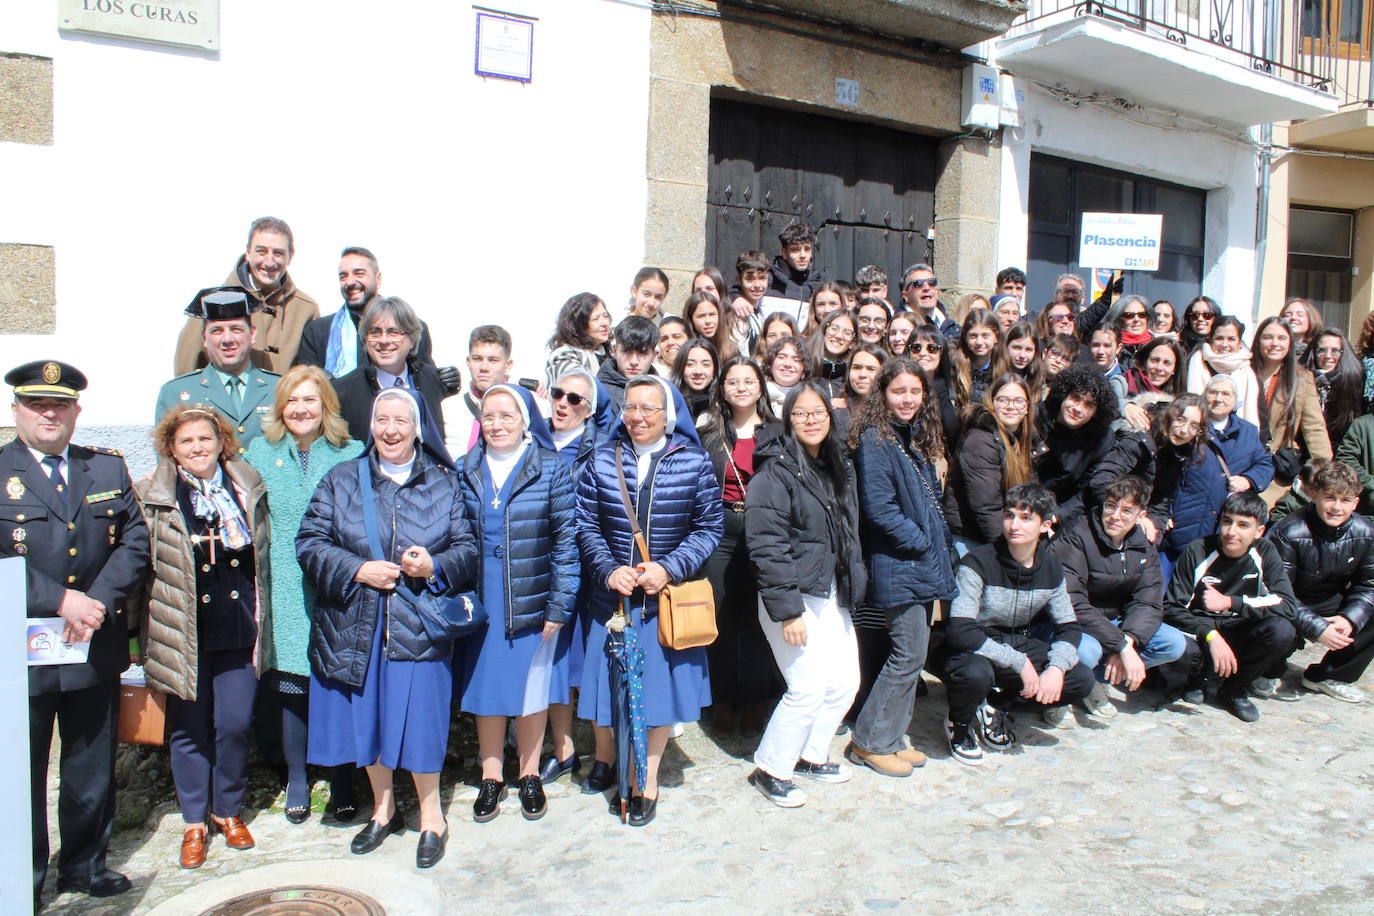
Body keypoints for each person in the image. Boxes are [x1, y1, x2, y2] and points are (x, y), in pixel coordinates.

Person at [298, 388, 478, 869]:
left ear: (418, 427)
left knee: (421, 725)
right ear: (370, 424)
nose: (391, 429)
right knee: (370, 725)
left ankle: (432, 815)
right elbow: (310, 542)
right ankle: (383, 809)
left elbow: (467, 548)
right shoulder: (341, 480)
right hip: (357, 626)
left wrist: (432, 565)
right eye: (382, 419)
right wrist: (359, 570)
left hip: (417, 628)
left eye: (401, 420)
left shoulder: (443, 482)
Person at [5, 361, 149, 909]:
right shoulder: (0, 472)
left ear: (76, 412)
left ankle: (83, 867)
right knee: (22, 771)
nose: (50, 413)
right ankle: (24, 874)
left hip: (92, 641)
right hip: (20, 651)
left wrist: (96, 603)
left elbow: (134, 539)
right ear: (17, 409)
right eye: (38, 404)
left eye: (60, 405)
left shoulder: (105, 470)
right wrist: (58, 598)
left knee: (90, 764)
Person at [575, 376, 724, 826]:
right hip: (614, 602)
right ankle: (617, 761)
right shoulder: (601, 459)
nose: (638, 417)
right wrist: (608, 569)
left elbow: (708, 528)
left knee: (655, 698)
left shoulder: (693, 462)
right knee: (614, 693)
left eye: (649, 409)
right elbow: (585, 525)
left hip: (663, 603)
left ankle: (647, 777)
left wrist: (669, 568)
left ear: (667, 415)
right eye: (631, 408)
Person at [135, 405, 269, 868]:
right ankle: (194, 821)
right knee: (189, 731)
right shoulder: (156, 497)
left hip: (237, 628)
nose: (197, 448)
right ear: (172, 448)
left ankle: (226, 810)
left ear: (221, 442)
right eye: (186, 441)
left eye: (205, 439)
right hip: (184, 633)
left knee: (233, 724)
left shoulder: (245, 487)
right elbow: (141, 569)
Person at [244, 365, 364, 825]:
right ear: (280, 408)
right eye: (292, 401)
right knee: (292, 684)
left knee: (336, 684)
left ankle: (343, 780)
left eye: (310, 400)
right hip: (285, 584)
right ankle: (296, 776)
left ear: (326, 406)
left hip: (337, 584)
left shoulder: (350, 453)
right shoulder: (259, 453)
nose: (300, 409)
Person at [458, 384, 578, 823]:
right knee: (486, 689)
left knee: (532, 689)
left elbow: (567, 542)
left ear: (526, 421)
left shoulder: (549, 468)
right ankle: (492, 776)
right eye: (489, 416)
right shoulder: (464, 468)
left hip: (533, 591)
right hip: (483, 596)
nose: (496, 424)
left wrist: (559, 605)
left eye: (507, 415)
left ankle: (528, 774)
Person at [744, 383, 865, 806]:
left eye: (819, 413)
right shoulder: (773, 473)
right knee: (808, 685)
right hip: (792, 598)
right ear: (788, 420)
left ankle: (811, 755)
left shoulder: (834, 466)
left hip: (829, 591)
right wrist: (788, 612)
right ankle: (771, 767)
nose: (812, 420)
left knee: (845, 681)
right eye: (802, 413)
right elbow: (766, 545)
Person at [846, 360, 954, 776]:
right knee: (907, 655)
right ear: (883, 394)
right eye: (898, 391)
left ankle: (891, 738)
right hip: (899, 564)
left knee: (913, 653)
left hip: (918, 565)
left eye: (915, 391)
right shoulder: (876, 439)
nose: (907, 399)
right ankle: (870, 742)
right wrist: (922, 540)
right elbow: (879, 509)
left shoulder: (908, 438)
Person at [939, 484, 1094, 765]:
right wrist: (1019, 663)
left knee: (1081, 679)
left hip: (1018, 640)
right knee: (975, 674)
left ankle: (996, 706)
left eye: (1025, 518)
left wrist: (1057, 668)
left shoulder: (1051, 568)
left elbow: (1068, 627)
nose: (1014, 525)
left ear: (1045, 525)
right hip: (973, 646)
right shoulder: (976, 562)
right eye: (1009, 515)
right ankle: (959, 725)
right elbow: (960, 629)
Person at [1051, 475, 1187, 724]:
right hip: (1075, 625)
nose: (1115, 516)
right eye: (1111, 506)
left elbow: (1148, 601)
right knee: (1087, 651)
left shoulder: (1143, 546)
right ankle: (1064, 693)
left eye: (1127, 510)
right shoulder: (1076, 535)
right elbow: (1072, 602)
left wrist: (1128, 641)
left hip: (1116, 624)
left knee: (1173, 643)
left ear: (1140, 515)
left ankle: (1092, 681)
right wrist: (1121, 646)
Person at [1160, 491, 1297, 722]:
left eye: (1243, 525)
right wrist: (1210, 635)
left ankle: (1234, 688)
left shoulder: (1265, 552)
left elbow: (1286, 604)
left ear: (1259, 531)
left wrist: (1231, 602)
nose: (1231, 531)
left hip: (1239, 626)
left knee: (1282, 631)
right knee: (1180, 647)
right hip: (1202, 629)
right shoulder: (1198, 549)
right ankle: (1198, 678)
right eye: (1227, 521)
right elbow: (1172, 607)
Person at [700, 357, 783, 730]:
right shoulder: (711, 433)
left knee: (758, 616)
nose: (741, 387)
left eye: (749, 380)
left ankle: (755, 697)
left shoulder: (777, 432)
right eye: (733, 381)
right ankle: (720, 695)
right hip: (722, 526)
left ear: (760, 386)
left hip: (765, 528)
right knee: (720, 613)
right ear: (722, 388)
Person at [1260, 460, 1374, 704]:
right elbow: (1278, 593)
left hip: (1329, 599)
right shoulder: (1289, 531)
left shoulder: (1366, 532)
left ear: (1356, 502)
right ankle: (1263, 670)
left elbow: (1369, 584)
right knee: (1280, 628)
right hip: (1287, 601)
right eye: (1330, 497)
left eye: (1345, 500)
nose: (1336, 507)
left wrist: (1350, 618)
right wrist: (1317, 629)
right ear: (1314, 495)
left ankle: (1329, 676)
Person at [172, 217, 320, 375]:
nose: (269, 262)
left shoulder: (306, 310)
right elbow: (186, 368)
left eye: (278, 253)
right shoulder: (212, 303)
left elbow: (313, 376)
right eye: (261, 251)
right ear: (248, 253)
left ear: (290, 256)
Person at [1161, 375, 1273, 574]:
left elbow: (1264, 464)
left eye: (1226, 394)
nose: (1218, 398)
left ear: (1236, 400)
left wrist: (1248, 480)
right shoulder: (1191, 426)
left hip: (1222, 527)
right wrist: (1164, 512)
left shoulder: (1248, 432)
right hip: (1183, 522)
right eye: (1213, 392)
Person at [156, 288, 281, 452]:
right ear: (204, 339)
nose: (227, 339)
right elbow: (167, 461)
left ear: (252, 334)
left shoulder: (280, 388)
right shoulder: (175, 393)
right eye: (217, 331)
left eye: (236, 329)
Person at [295, 246, 439, 379]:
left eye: (359, 274)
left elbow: (425, 383)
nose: (350, 282)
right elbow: (304, 384)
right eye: (343, 276)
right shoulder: (318, 331)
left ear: (378, 279)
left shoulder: (411, 328)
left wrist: (445, 383)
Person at [332, 297, 451, 458]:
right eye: (375, 332)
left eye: (393, 332)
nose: (384, 340)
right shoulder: (342, 393)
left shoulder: (434, 381)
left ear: (412, 339)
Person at [1034, 364, 1140, 534]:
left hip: (1059, 516)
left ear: (1097, 412)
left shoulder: (1102, 440)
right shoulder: (1034, 419)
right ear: (1063, 395)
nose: (1078, 408)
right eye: (1075, 398)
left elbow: (1087, 491)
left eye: (1089, 404)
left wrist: (1057, 516)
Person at [944, 375, 1040, 551]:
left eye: (1018, 401)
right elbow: (986, 507)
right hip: (973, 538)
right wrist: (1008, 552)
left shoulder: (1025, 439)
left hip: (1008, 531)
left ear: (1027, 407)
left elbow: (1031, 489)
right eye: (1003, 400)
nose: (1011, 406)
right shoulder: (980, 439)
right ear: (992, 403)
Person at [1250, 316, 1330, 501]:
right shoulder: (1243, 373)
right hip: (1240, 465)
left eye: (1282, 338)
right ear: (1258, 340)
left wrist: (1325, 475)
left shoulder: (1302, 379)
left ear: (1290, 343)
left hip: (1277, 472)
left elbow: (1315, 430)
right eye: (1268, 337)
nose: (1274, 343)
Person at [1144, 394, 1207, 546]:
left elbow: (1162, 500)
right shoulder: (1142, 438)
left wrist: (1156, 528)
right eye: (1180, 419)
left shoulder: (1180, 453)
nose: (1184, 430)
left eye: (1194, 426)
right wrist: (1136, 515)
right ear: (1169, 415)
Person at [447, 325, 516, 460]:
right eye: (477, 359)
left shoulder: (528, 407)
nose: (484, 367)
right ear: (468, 362)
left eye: (493, 360)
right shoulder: (447, 408)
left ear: (508, 365)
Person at [1186, 316, 1259, 427]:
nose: (1225, 344)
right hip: (1200, 432)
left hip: (1237, 438)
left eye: (1231, 339)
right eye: (1219, 338)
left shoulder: (1249, 373)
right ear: (1211, 340)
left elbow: (1260, 414)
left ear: (1240, 343)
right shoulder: (1196, 364)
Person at [1303, 328, 1363, 450]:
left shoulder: (1354, 383)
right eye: (1322, 350)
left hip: (1342, 451)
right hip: (1305, 452)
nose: (1328, 356)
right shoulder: (1301, 380)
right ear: (1314, 353)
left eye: (1335, 351)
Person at [545, 292, 612, 390]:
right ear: (579, 324)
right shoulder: (564, 355)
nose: (604, 323)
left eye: (605, 316)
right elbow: (579, 389)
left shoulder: (606, 353)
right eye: (596, 319)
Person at [598, 315, 660, 413]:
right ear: (614, 350)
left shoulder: (664, 392)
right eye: (626, 351)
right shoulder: (596, 393)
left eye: (643, 353)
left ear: (654, 355)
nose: (634, 361)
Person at [909, 325, 959, 444]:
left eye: (932, 348)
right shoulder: (898, 388)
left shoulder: (949, 389)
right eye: (916, 348)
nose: (923, 353)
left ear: (942, 354)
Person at [953, 309, 1000, 407]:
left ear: (996, 337)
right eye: (973, 336)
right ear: (965, 338)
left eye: (985, 336)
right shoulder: (954, 369)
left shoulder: (1003, 370)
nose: (979, 342)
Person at [899, 264, 958, 340]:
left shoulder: (953, 330)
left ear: (937, 291)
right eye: (918, 284)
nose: (927, 288)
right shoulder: (895, 329)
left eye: (932, 283)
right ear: (905, 295)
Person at [808, 309, 858, 395]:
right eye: (834, 328)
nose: (839, 336)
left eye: (847, 332)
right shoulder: (805, 363)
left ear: (852, 342)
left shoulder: (852, 376)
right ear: (824, 330)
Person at [669, 338, 719, 422]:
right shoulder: (669, 403)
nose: (698, 371)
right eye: (690, 364)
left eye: (706, 364)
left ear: (715, 370)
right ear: (680, 368)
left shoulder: (724, 406)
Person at [763, 336, 812, 417]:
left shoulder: (812, 400)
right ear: (770, 364)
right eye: (781, 357)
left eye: (796, 360)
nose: (788, 364)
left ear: (804, 370)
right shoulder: (758, 397)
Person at [684, 290, 736, 363]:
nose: (708, 321)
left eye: (712, 314)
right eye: (701, 316)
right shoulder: (685, 352)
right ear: (691, 319)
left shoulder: (730, 349)